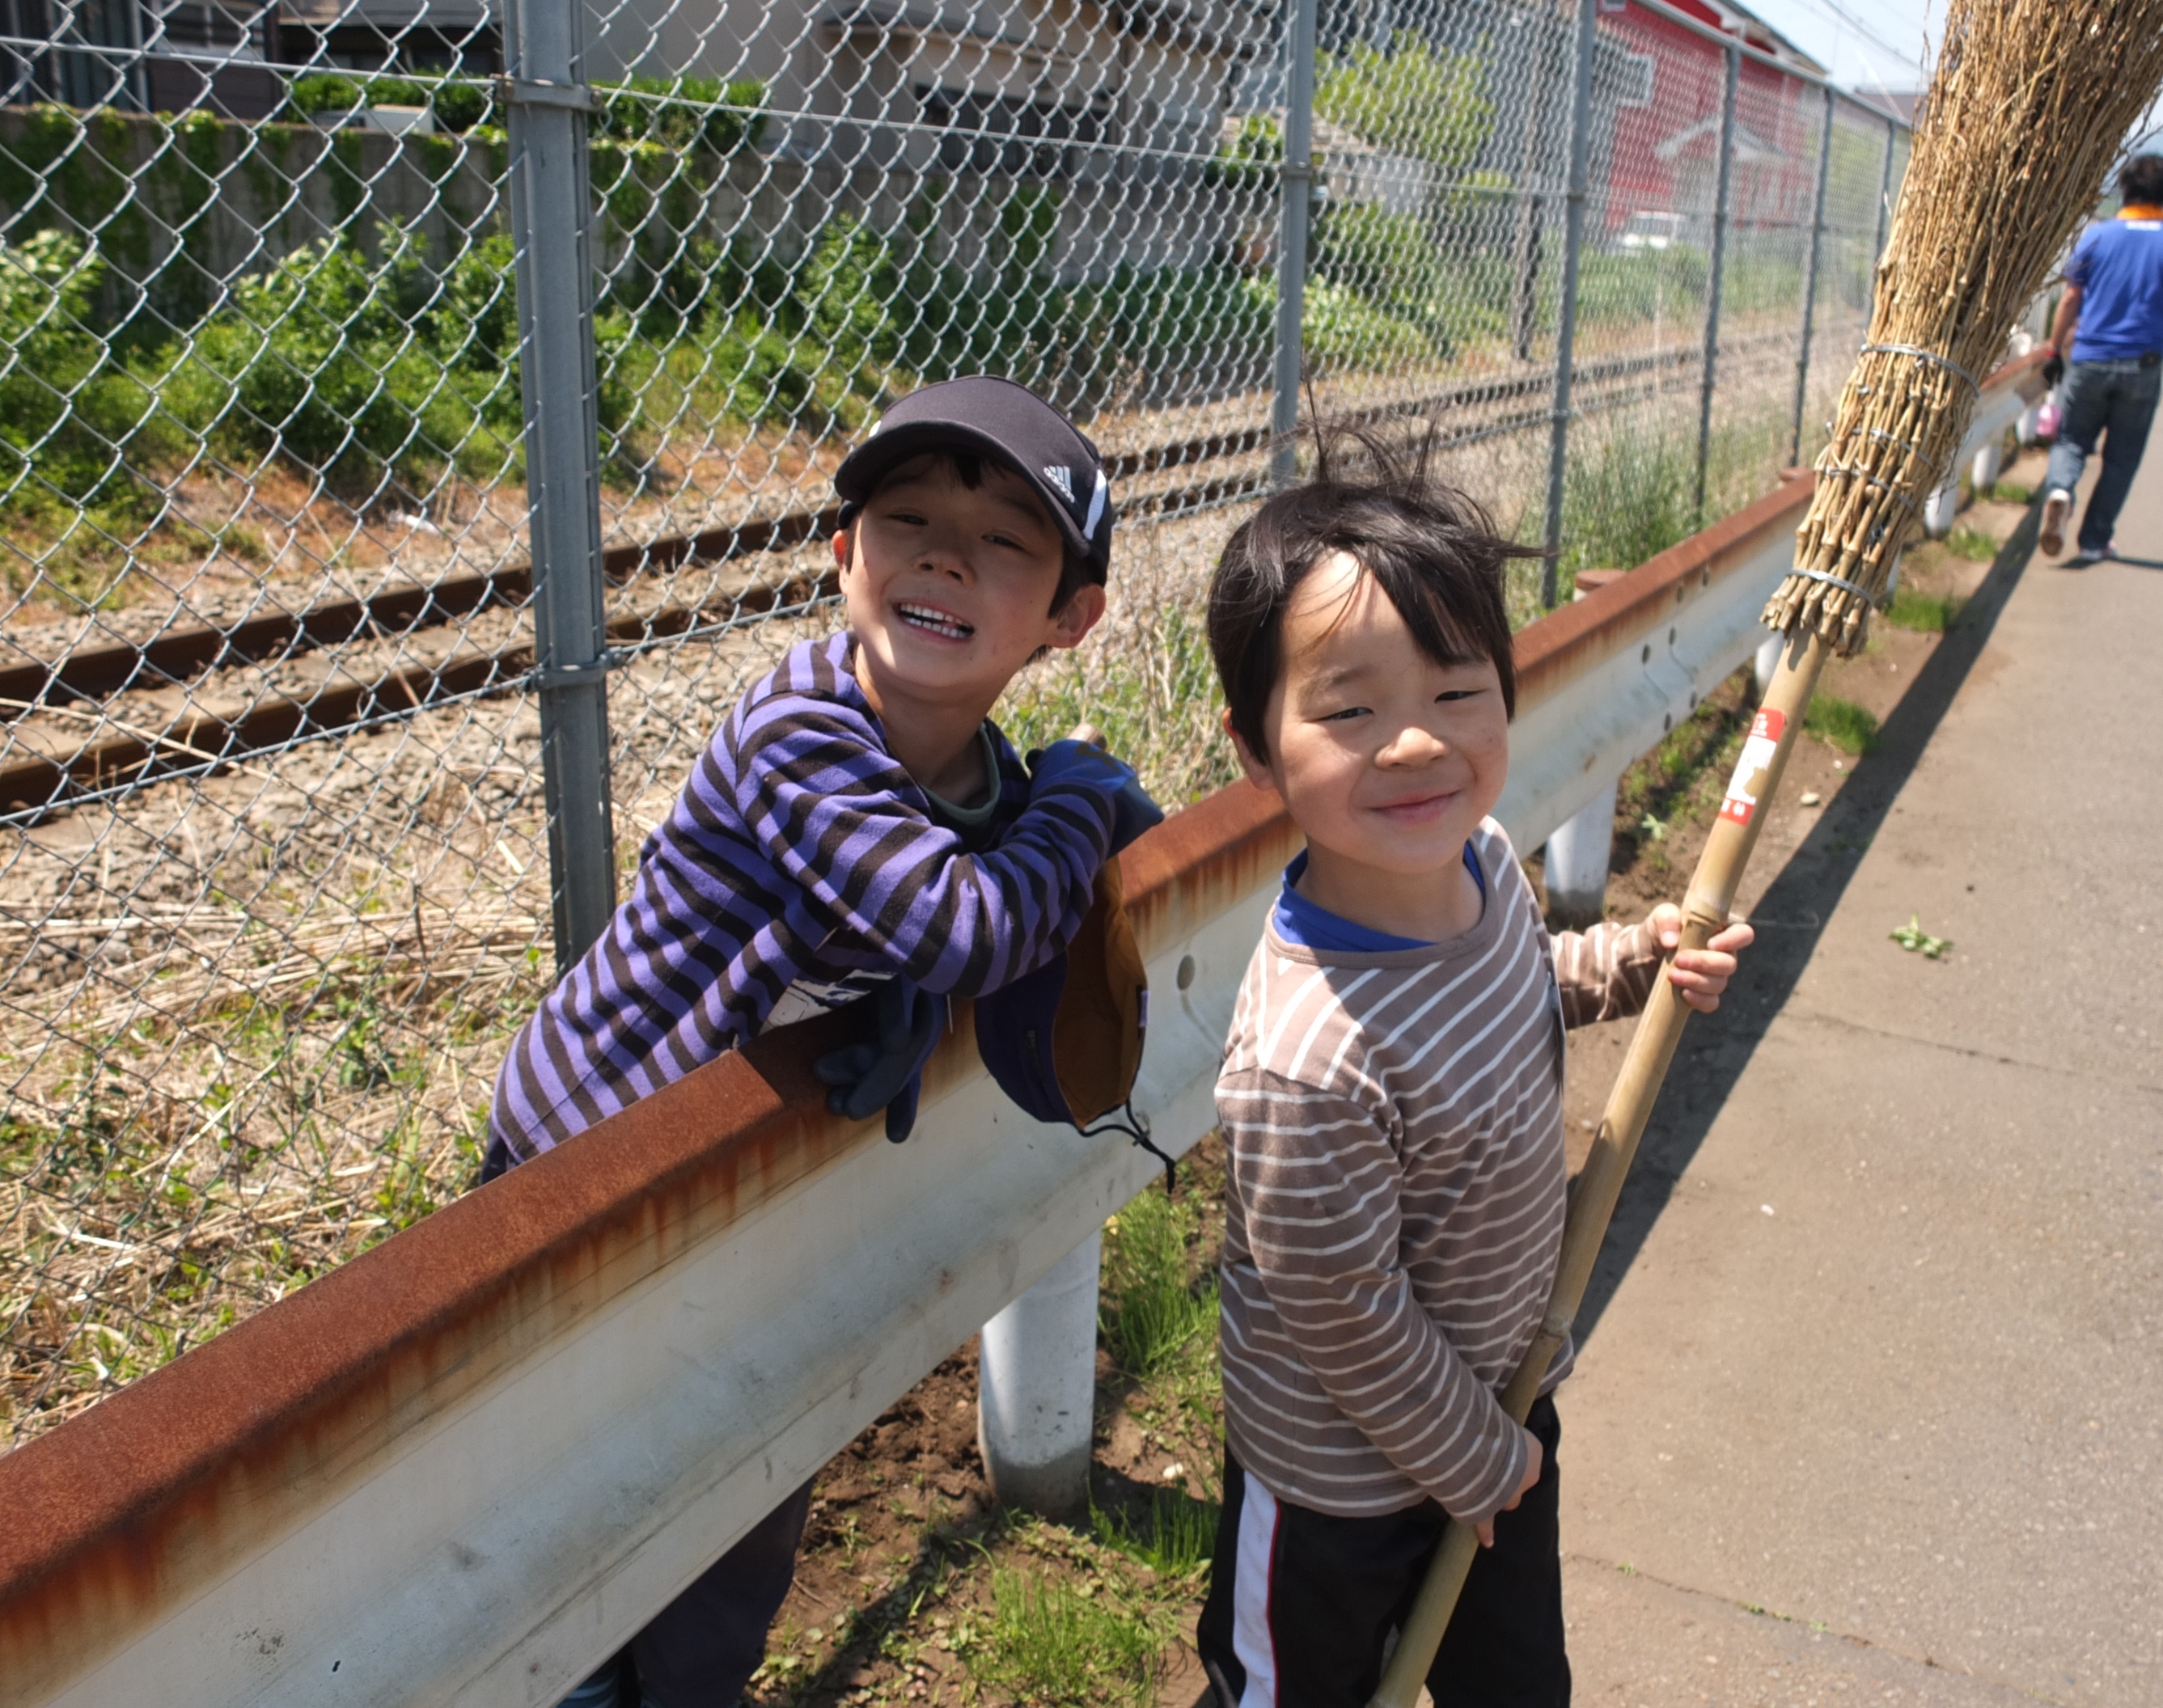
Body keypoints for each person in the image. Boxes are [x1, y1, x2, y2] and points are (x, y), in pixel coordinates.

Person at [483, 376, 1157, 1708]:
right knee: (570, 1514)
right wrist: (1082, 802)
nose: (945, 558)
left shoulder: (985, 781)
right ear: (844, 554)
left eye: (1004, 542)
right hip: (590, 1159)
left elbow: (972, 916)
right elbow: (966, 926)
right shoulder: (800, 728)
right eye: (907, 520)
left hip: (744, 1178)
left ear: (1070, 616)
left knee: (748, 1474)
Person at [1191, 433, 1752, 1708]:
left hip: (1502, 1400)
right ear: (1256, 747)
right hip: (1341, 1485)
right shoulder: (1308, 1060)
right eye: (1349, 711)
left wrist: (1636, 961)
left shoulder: (1484, 863)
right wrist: (1479, 1462)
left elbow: (1519, 984)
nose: (1413, 745)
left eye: (1456, 692)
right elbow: (1348, 1312)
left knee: (1518, 1687)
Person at [2039, 151, 2163, 564]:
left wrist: (2054, 349)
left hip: (2089, 358)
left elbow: (2071, 298)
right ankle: (2094, 541)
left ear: (2125, 189)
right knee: (2121, 459)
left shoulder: (2096, 237)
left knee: (2072, 440)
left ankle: (2060, 490)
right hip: (2142, 366)